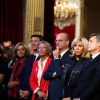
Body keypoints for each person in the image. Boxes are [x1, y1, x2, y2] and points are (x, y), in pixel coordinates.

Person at [44, 33, 73, 100]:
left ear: (67, 42)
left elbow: (61, 74)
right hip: (52, 94)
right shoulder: (54, 56)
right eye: (56, 40)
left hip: (62, 95)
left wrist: (56, 59)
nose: (57, 42)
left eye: (60, 40)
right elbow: (45, 75)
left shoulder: (71, 56)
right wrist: (55, 74)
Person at [73, 33, 100, 100]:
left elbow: (95, 84)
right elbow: (81, 82)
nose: (88, 44)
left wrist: (81, 98)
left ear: (99, 44)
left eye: (91, 41)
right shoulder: (89, 60)